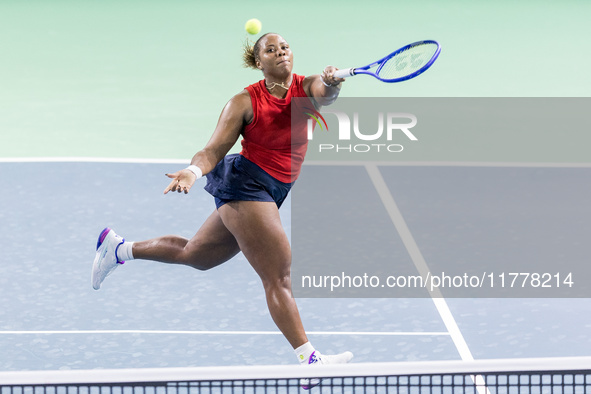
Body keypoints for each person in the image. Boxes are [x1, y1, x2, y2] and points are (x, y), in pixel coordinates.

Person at [91, 33, 353, 371]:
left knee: (197, 256)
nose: (280, 53)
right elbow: (213, 150)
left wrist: (333, 83)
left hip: (275, 188)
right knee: (278, 276)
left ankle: (119, 249)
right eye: (270, 50)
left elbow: (325, 94)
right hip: (247, 186)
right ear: (259, 62)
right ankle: (310, 360)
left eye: (284, 47)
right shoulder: (243, 102)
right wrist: (191, 171)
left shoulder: (307, 86)